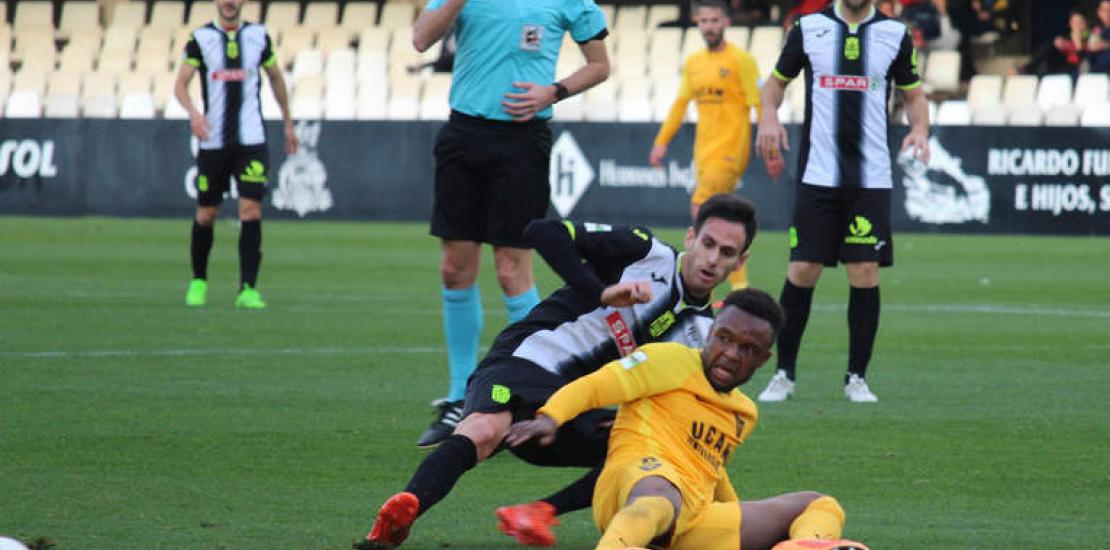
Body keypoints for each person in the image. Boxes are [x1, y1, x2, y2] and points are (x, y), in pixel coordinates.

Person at [357, 194, 759, 549]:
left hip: (571, 411)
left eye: (726, 253)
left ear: (740, 262)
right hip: (527, 363)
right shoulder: (643, 252)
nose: (711, 259)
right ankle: (402, 513)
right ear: (691, 237)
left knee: (649, 451)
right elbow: (544, 231)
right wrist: (598, 291)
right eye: (707, 244)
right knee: (483, 430)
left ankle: (540, 512)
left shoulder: (701, 337)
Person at [506, 289, 868, 550]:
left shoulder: (744, 412)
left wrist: (734, 513)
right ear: (711, 333)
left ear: (763, 359)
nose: (730, 354)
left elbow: (711, 467)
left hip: (693, 518)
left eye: (747, 350)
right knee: (660, 493)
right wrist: (551, 418)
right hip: (633, 485)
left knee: (818, 504)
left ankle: (811, 546)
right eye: (724, 338)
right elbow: (596, 386)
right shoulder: (668, 361)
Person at [410, 0, 612, 449]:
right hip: (463, 135)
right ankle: (460, 397)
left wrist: (554, 91)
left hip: (522, 143)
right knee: (454, 269)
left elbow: (600, 66)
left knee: (512, 271)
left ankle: (532, 390)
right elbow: (421, 38)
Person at [754, 0, 930, 403]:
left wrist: (919, 129)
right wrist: (768, 114)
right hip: (818, 176)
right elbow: (776, 83)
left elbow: (915, 96)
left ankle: (857, 378)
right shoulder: (808, 27)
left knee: (865, 270)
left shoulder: (894, 34)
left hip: (871, 178)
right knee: (802, 269)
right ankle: (784, 373)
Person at [177, 0, 297, 309]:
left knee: (251, 212)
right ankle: (199, 281)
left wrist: (287, 124)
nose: (229, 2)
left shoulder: (259, 35)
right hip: (213, 142)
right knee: (206, 213)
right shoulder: (200, 39)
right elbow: (181, 85)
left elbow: (275, 78)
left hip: (251, 141)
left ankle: (248, 289)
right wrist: (193, 114)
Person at [650, 0, 762, 291]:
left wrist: (768, 142)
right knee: (724, 219)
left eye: (714, 20)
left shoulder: (742, 60)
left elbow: (758, 102)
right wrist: (662, 142)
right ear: (697, 23)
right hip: (704, 152)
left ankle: (702, 281)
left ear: (726, 22)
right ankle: (738, 288)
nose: (709, 26)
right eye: (704, 21)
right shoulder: (695, 62)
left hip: (730, 150)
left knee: (702, 211)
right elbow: (680, 104)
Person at [1087, 0, 1110, 74]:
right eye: (1104, 10)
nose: (1107, 14)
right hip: (1097, 76)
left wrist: (1105, 45)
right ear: (1099, 12)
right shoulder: (1096, 31)